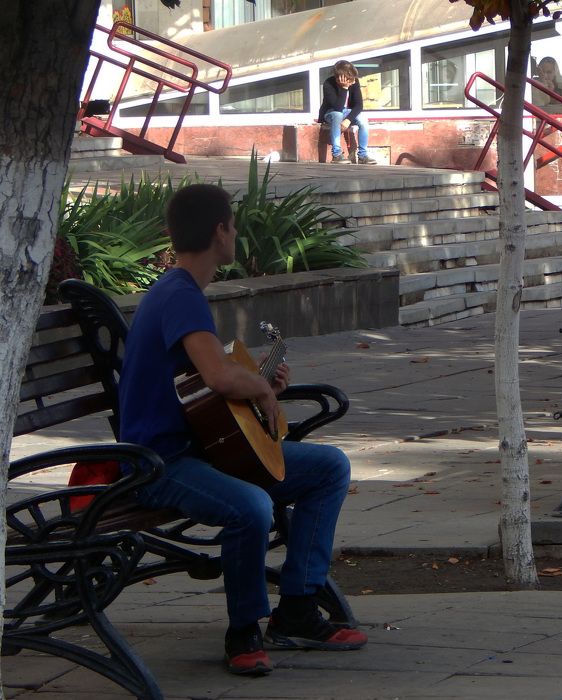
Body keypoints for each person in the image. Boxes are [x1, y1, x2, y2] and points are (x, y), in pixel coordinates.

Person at [118, 184, 367, 677]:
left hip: (198, 450)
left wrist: (257, 383)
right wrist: (263, 393)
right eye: (233, 226)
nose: (234, 234)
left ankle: (297, 609)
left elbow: (203, 386)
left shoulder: (179, 291)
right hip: (160, 464)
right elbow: (218, 376)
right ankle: (243, 630)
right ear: (220, 231)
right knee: (251, 506)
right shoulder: (179, 295)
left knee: (329, 468)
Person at [318, 60, 377, 165]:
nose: (353, 82)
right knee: (337, 115)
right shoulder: (328, 84)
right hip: (330, 112)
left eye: (354, 79)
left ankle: (363, 155)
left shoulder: (354, 82)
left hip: (346, 113)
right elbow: (337, 107)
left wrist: (348, 120)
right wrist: (344, 88)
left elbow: (359, 105)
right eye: (350, 79)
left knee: (363, 119)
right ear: (341, 78)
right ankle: (336, 154)